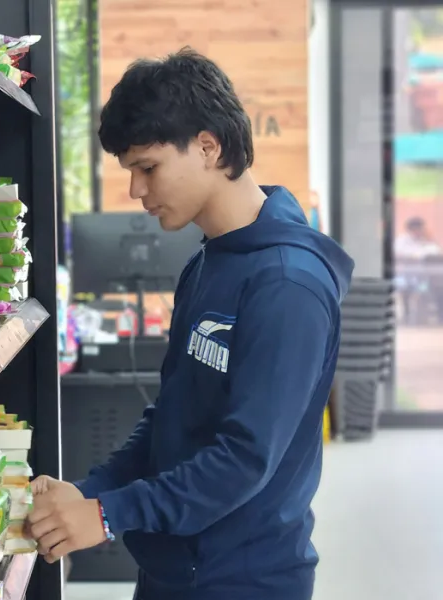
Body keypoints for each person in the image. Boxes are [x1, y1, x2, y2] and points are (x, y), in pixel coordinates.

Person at [26, 48, 354, 599]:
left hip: (242, 580)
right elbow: (171, 417)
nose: (136, 191)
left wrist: (107, 515)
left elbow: (243, 458)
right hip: (175, 562)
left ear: (208, 146)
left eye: (147, 168)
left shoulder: (286, 285)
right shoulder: (207, 261)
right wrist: (89, 494)